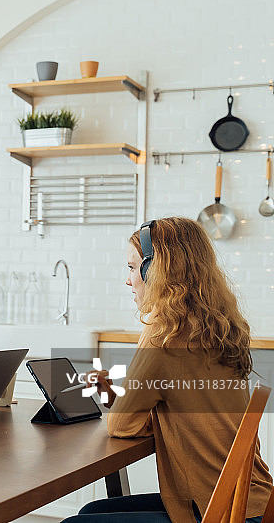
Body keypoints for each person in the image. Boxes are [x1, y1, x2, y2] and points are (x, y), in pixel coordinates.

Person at [62, 217, 272, 523]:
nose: (128, 278)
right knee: (91, 512)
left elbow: (121, 426)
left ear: (156, 270)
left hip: (217, 511)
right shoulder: (216, 328)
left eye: (133, 267)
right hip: (251, 499)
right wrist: (122, 399)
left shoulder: (165, 336)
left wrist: (125, 406)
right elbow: (183, 406)